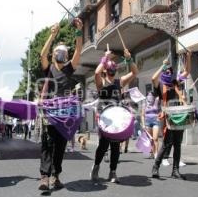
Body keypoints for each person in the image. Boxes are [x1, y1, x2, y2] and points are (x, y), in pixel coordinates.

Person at [38, 18, 83, 191]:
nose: (62, 53)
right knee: (47, 144)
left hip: (65, 113)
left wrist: (79, 31)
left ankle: (55, 176)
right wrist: (52, 35)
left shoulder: (69, 68)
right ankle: (44, 177)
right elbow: (42, 54)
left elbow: (78, 49)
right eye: (59, 50)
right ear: (54, 53)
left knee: (60, 145)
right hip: (49, 111)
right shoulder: (48, 68)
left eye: (64, 51)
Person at [90, 48, 138, 183]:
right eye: (109, 67)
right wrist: (104, 58)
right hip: (105, 118)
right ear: (105, 69)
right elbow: (96, 72)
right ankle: (96, 167)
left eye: (114, 67)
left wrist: (129, 59)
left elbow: (135, 72)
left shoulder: (120, 82)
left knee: (116, 146)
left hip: (117, 118)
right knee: (103, 145)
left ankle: (113, 172)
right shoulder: (101, 83)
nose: (112, 69)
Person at [151, 52, 191, 180]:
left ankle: (175, 171)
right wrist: (161, 66)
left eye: (170, 70)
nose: (168, 72)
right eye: (166, 70)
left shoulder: (175, 82)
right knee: (166, 143)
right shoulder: (160, 85)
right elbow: (153, 78)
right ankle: (155, 167)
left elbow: (187, 72)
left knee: (178, 144)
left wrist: (189, 56)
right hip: (169, 117)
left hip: (179, 116)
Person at [141, 92, 161, 159]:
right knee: (150, 139)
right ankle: (152, 152)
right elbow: (142, 115)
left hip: (156, 121)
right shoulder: (144, 104)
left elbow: (160, 111)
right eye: (148, 95)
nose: (150, 97)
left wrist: (159, 116)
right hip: (147, 123)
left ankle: (156, 153)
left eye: (151, 95)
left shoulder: (156, 102)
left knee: (155, 138)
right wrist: (143, 124)